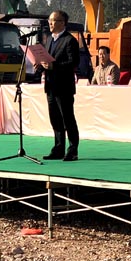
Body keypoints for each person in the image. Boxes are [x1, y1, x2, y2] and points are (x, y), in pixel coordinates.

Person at [36, 10, 80, 161]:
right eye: (50, 20)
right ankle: (58, 148)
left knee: (67, 119)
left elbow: (73, 63)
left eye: (54, 20)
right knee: (55, 119)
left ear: (63, 23)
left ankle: (73, 150)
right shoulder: (49, 39)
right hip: (51, 86)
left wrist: (53, 66)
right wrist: (39, 66)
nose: (50, 23)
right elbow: (47, 60)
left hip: (64, 87)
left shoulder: (70, 40)